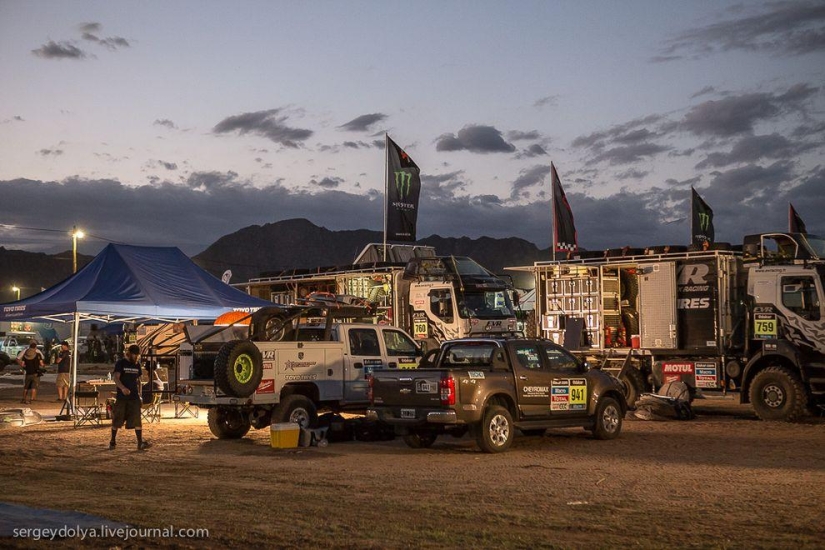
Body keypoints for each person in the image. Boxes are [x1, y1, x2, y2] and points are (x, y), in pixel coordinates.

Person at [109, 344, 151, 451]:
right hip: (122, 397)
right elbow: (116, 378)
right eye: (135, 355)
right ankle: (112, 441)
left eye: (138, 355)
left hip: (134, 397)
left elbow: (138, 381)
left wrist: (140, 394)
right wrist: (122, 388)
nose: (136, 357)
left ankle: (140, 443)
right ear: (129, 353)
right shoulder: (121, 363)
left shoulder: (137, 365)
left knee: (137, 420)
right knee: (117, 420)